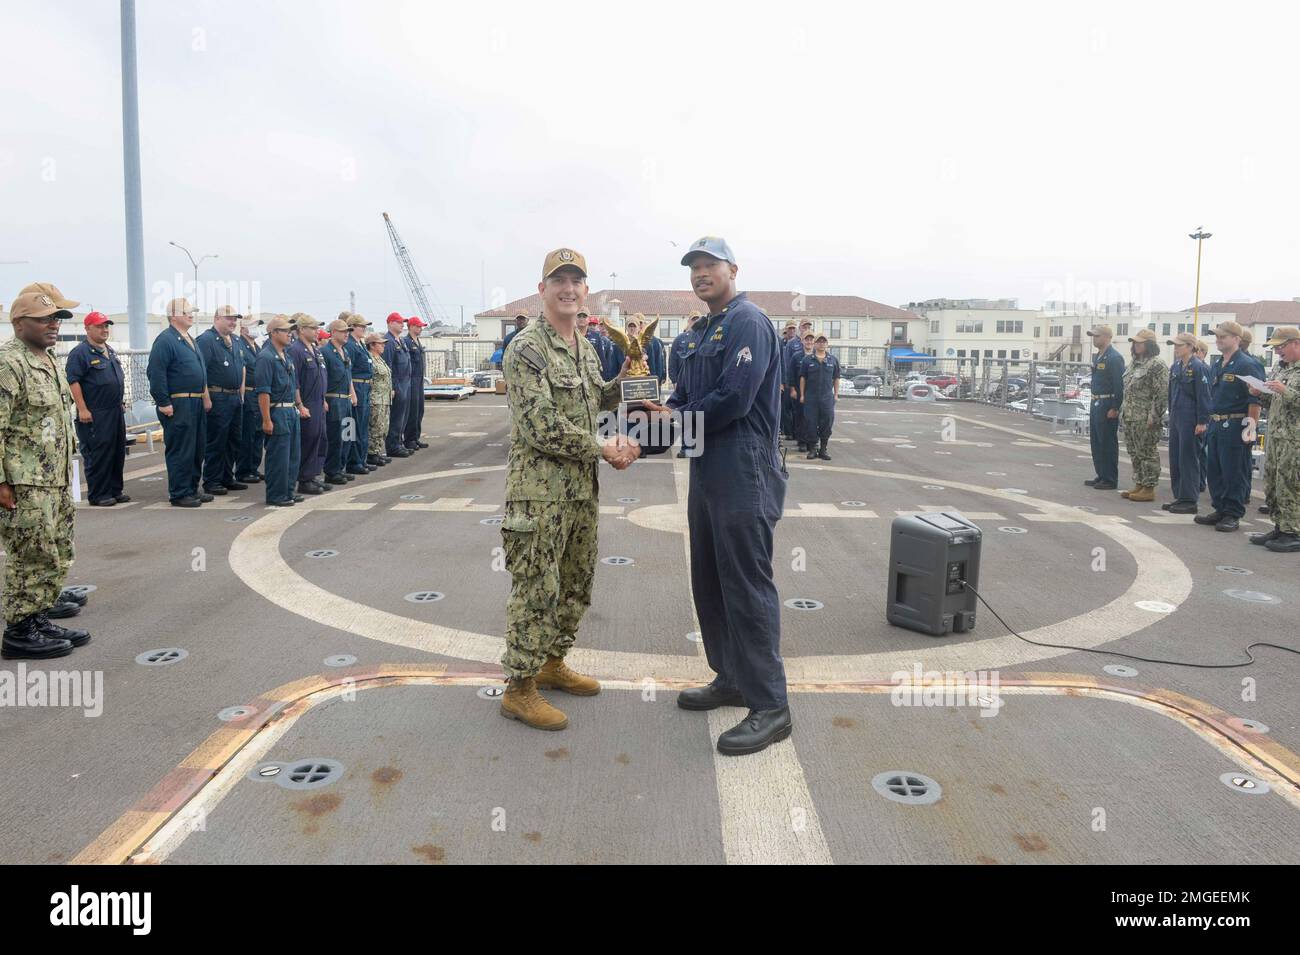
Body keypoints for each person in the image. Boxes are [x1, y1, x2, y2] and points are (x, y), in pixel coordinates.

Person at [648, 236, 791, 756]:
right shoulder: (698, 333)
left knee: (747, 582)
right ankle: (730, 677)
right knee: (708, 577)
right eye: (693, 267)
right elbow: (680, 401)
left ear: (733, 268)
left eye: (710, 265)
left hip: (744, 463)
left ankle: (771, 705)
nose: (700, 273)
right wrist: (632, 437)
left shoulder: (748, 320)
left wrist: (671, 421)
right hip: (706, 463)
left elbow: (733, 398)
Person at [497, 247, 635, 732]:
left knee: (576, 582)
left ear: (585, 290)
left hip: (579, 490)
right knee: (537, 587)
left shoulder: (583, 344)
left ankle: (553, 663)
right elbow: (541, 426)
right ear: (542, 290)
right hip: (538, 493)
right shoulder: (527, 348)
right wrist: (603, 446)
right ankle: (519, 687)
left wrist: (634, 384)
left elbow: (597, 396)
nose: (568, 288)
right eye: (559, 281)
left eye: (576, 281)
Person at [1, 288, 89, 658]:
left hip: (52, 477)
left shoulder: (48, 359)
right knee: (29, 554)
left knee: (54, 550)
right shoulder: (10, 362)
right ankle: (19, 631)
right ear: (20, 324)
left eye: (56, 319)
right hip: (25, 482)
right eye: (45, 320)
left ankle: (37, 616)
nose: (53, 325)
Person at [1194, 321, 1264, 532]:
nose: (1218, 340)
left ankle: (1233, 513)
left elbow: (1255, 400)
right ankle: (1220, 508)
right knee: (1215, 470)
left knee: (1234, 470)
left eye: (1223, 336)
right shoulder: (1218, 364)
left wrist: (1250, 428)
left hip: (1236, 423)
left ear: (1236, 339)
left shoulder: (1247, 364)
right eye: (1217, 336)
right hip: (1216, 423)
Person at [147, 298, 212, 507]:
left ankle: (192, 488)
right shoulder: (166, 340)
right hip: (179, 403)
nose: (191, 315)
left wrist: (204, 396)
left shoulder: (189, 339)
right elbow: (156, 373)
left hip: (195, 402)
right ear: (174, 316)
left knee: (197, 448)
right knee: (181, 449)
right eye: (187, 312)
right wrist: (163, 402)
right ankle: (180, 492)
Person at [66, 310, 128, 507]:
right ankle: (99, 494)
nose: (104, 329)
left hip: (115, 410)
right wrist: (82, 409)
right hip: (95, 412)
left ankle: (114, 490)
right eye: (100, 326)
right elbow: (73, 381)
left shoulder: (109, 350)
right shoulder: (80, 353)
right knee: (99, 453)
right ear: (88, 328)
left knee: (117, 451)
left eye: (106, 326)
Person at [1247, 327, 1300, 551]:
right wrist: (1261, 394)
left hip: (1295, 440)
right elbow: (1276, 403)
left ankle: (1293, 532)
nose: (1277, 351)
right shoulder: (1280, 368)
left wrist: (1285, 391)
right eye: (1275, 347)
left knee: (1291, 484)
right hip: (1277, 437)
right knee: (1273, 483)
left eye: (1281, 346)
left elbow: (1291, 398)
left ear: (1296, 343)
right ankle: (1280, 526)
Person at [197, 304, 248, 496]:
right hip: (217, 396)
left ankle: (227, 476)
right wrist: (206, 398)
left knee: (234, 440)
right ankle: (212, 480)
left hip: (234, 396)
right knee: (216, 441)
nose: (233, 322)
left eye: (235, 319)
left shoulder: (235, 340)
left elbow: (241, 367)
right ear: (216, 318)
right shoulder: (206, 340)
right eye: (229, 318)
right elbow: (201, 372)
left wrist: (241, 394)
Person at [254, 315, 305, 507]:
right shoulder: (266, 357)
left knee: (292, 455)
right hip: (277, 412)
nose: (290, 335)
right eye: (285, 331)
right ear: (274, 333)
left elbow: (293, 385)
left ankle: (288, 490)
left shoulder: (286, 355)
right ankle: (276, 494)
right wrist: (266, 419)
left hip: (290, 410)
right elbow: (264, 392)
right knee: (278, 457)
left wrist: (299, 406)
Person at [1163, 332, 1212, 513]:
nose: (1176, 348)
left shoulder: (1199, 367)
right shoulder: (1176, 366)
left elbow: (1204, 396)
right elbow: (1171, 393)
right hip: (1177, 417)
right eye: (1174, 345)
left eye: (1179, 345)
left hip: (1191, 419)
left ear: (1190, 347)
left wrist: (1202, 421)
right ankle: (1180, 496)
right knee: (1176, 458)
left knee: (1189, 459)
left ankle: (1189, 499)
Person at [1118, 329, 1168, 502]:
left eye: (1140, 342)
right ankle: (1139, 483)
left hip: (1145, 417)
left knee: (1147, 452)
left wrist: (1154, 416)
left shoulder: (1157, 364)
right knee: (1134, 452)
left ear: (1150, 344)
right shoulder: (1134, 363)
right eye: (1135, 342)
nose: (1136, 345)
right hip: (1130, 415)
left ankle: (1149, 487)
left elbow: (1161, 394)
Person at [289, 315, 329, 494]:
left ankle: (313, 475)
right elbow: (294, 380)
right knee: (308, 440)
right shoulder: (296, 350)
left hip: (318, 401)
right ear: (302, 330)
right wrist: (299, 404)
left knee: (319, 439)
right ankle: (304, 479)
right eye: (313, 328)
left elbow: (321, 376)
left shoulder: (315, 349)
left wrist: (324, 399)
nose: (317, 332)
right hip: (306, 402)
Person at [1085, 325, 1125, 491]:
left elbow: (1119, 384)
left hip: (1107, 403)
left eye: (1097, 336)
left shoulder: (1114, 358)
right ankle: (1101, 474)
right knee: (1096, 441)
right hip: (1096, 402)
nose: (1094, 339)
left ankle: (1110, 478)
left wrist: (1115, 407)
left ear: (1107, 337)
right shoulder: (1098, 356)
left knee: (1107, 442)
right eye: (1093, 336)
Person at [320, 318, 357, 485]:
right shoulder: (326, 352)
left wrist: (352, 393)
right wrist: (322, 399)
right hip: (333, 399)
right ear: (333, 332)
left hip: (346, 399)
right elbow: (321, 378)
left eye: (348, 331)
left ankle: (341, 467)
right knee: (335, 437)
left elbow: (348, 375)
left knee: (348, 435)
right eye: (343, 331)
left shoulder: (345, 351)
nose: (346, 334)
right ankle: (332, 471)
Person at [343, 313, 377, 474]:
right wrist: (352, 392)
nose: (364, 329)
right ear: (352, 328)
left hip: (364, 387)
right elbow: (348, 371)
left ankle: (361, 459)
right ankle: (354, 461)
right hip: (356, 387)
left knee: (363, 426)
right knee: (354, 426)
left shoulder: (359, 344)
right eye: (361, 326)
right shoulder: (350, 345)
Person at [799, 334, 841, 460]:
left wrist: (836, 394)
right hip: (811, 397)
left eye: (824, 341)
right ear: (815, 344)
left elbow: (836, 378)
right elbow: (802, 378)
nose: (821, 344)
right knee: (810, 423)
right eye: (819, 341)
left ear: (827, 344)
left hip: (827, 397)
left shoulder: (833, 360)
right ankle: (812, 449)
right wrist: (802, 395)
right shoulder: (808, 360)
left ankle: (823, 449)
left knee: (827, 422)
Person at [235, 314, 265, 484]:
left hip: (258, 393)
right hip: (247, 393)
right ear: (243, 328)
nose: (256, 329)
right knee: (248, 433)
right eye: (253, 325)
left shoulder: (257, 347)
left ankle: (253, 467)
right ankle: (244, 470)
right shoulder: (240, 345)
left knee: (258, 432)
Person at [382, 312, 411, 458]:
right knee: (396, 417)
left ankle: (399, 442)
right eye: (399, 322)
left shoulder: (400, 340)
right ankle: (393, 445)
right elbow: (388, 366)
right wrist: (392, 387)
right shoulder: (388, 342)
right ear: (390, 323)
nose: (402, 324)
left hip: (405, 382)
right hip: (397, 383)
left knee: (403, 416)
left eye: (402, 322)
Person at [366, 333, 393, 465]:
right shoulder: (369, 359)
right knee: (375, 427)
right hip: (376, 399)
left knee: (383, 427)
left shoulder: (380, 359)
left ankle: (377, 451)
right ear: (372, 345)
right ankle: (371, 453)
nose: (383, 346)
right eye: (380, 343)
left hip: (384, 399)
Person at [402, 316, 428, 452]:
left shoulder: (417, 341)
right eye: (418, 326)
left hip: (419, 380)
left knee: (419, 410)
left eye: (421, 326)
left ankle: (415, 437)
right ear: (411, 326)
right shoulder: (406, 341)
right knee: (411, 410)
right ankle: (409, 439)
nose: (420, 329)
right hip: (411, 379)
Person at [788, 331, 815, 452]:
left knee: (813, 417)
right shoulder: (796, 356)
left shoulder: (818, 355)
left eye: (811, 340)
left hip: (814, 392)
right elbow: (791, 374)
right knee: (800, 416)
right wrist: (792, 389)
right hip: (800, 391)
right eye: (806, 339)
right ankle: (802, 441)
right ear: (802, 341)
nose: (809, 342)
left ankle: (812, 441)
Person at [779, 322, 797, 439]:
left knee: (793, 408)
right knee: (783, 407)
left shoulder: (799, 343)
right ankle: (786, 430)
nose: (790, 331)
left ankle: (792, 431)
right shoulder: (781, 342)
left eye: (792, 329)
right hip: (784, 379)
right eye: (788, 329)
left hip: (793, 379)